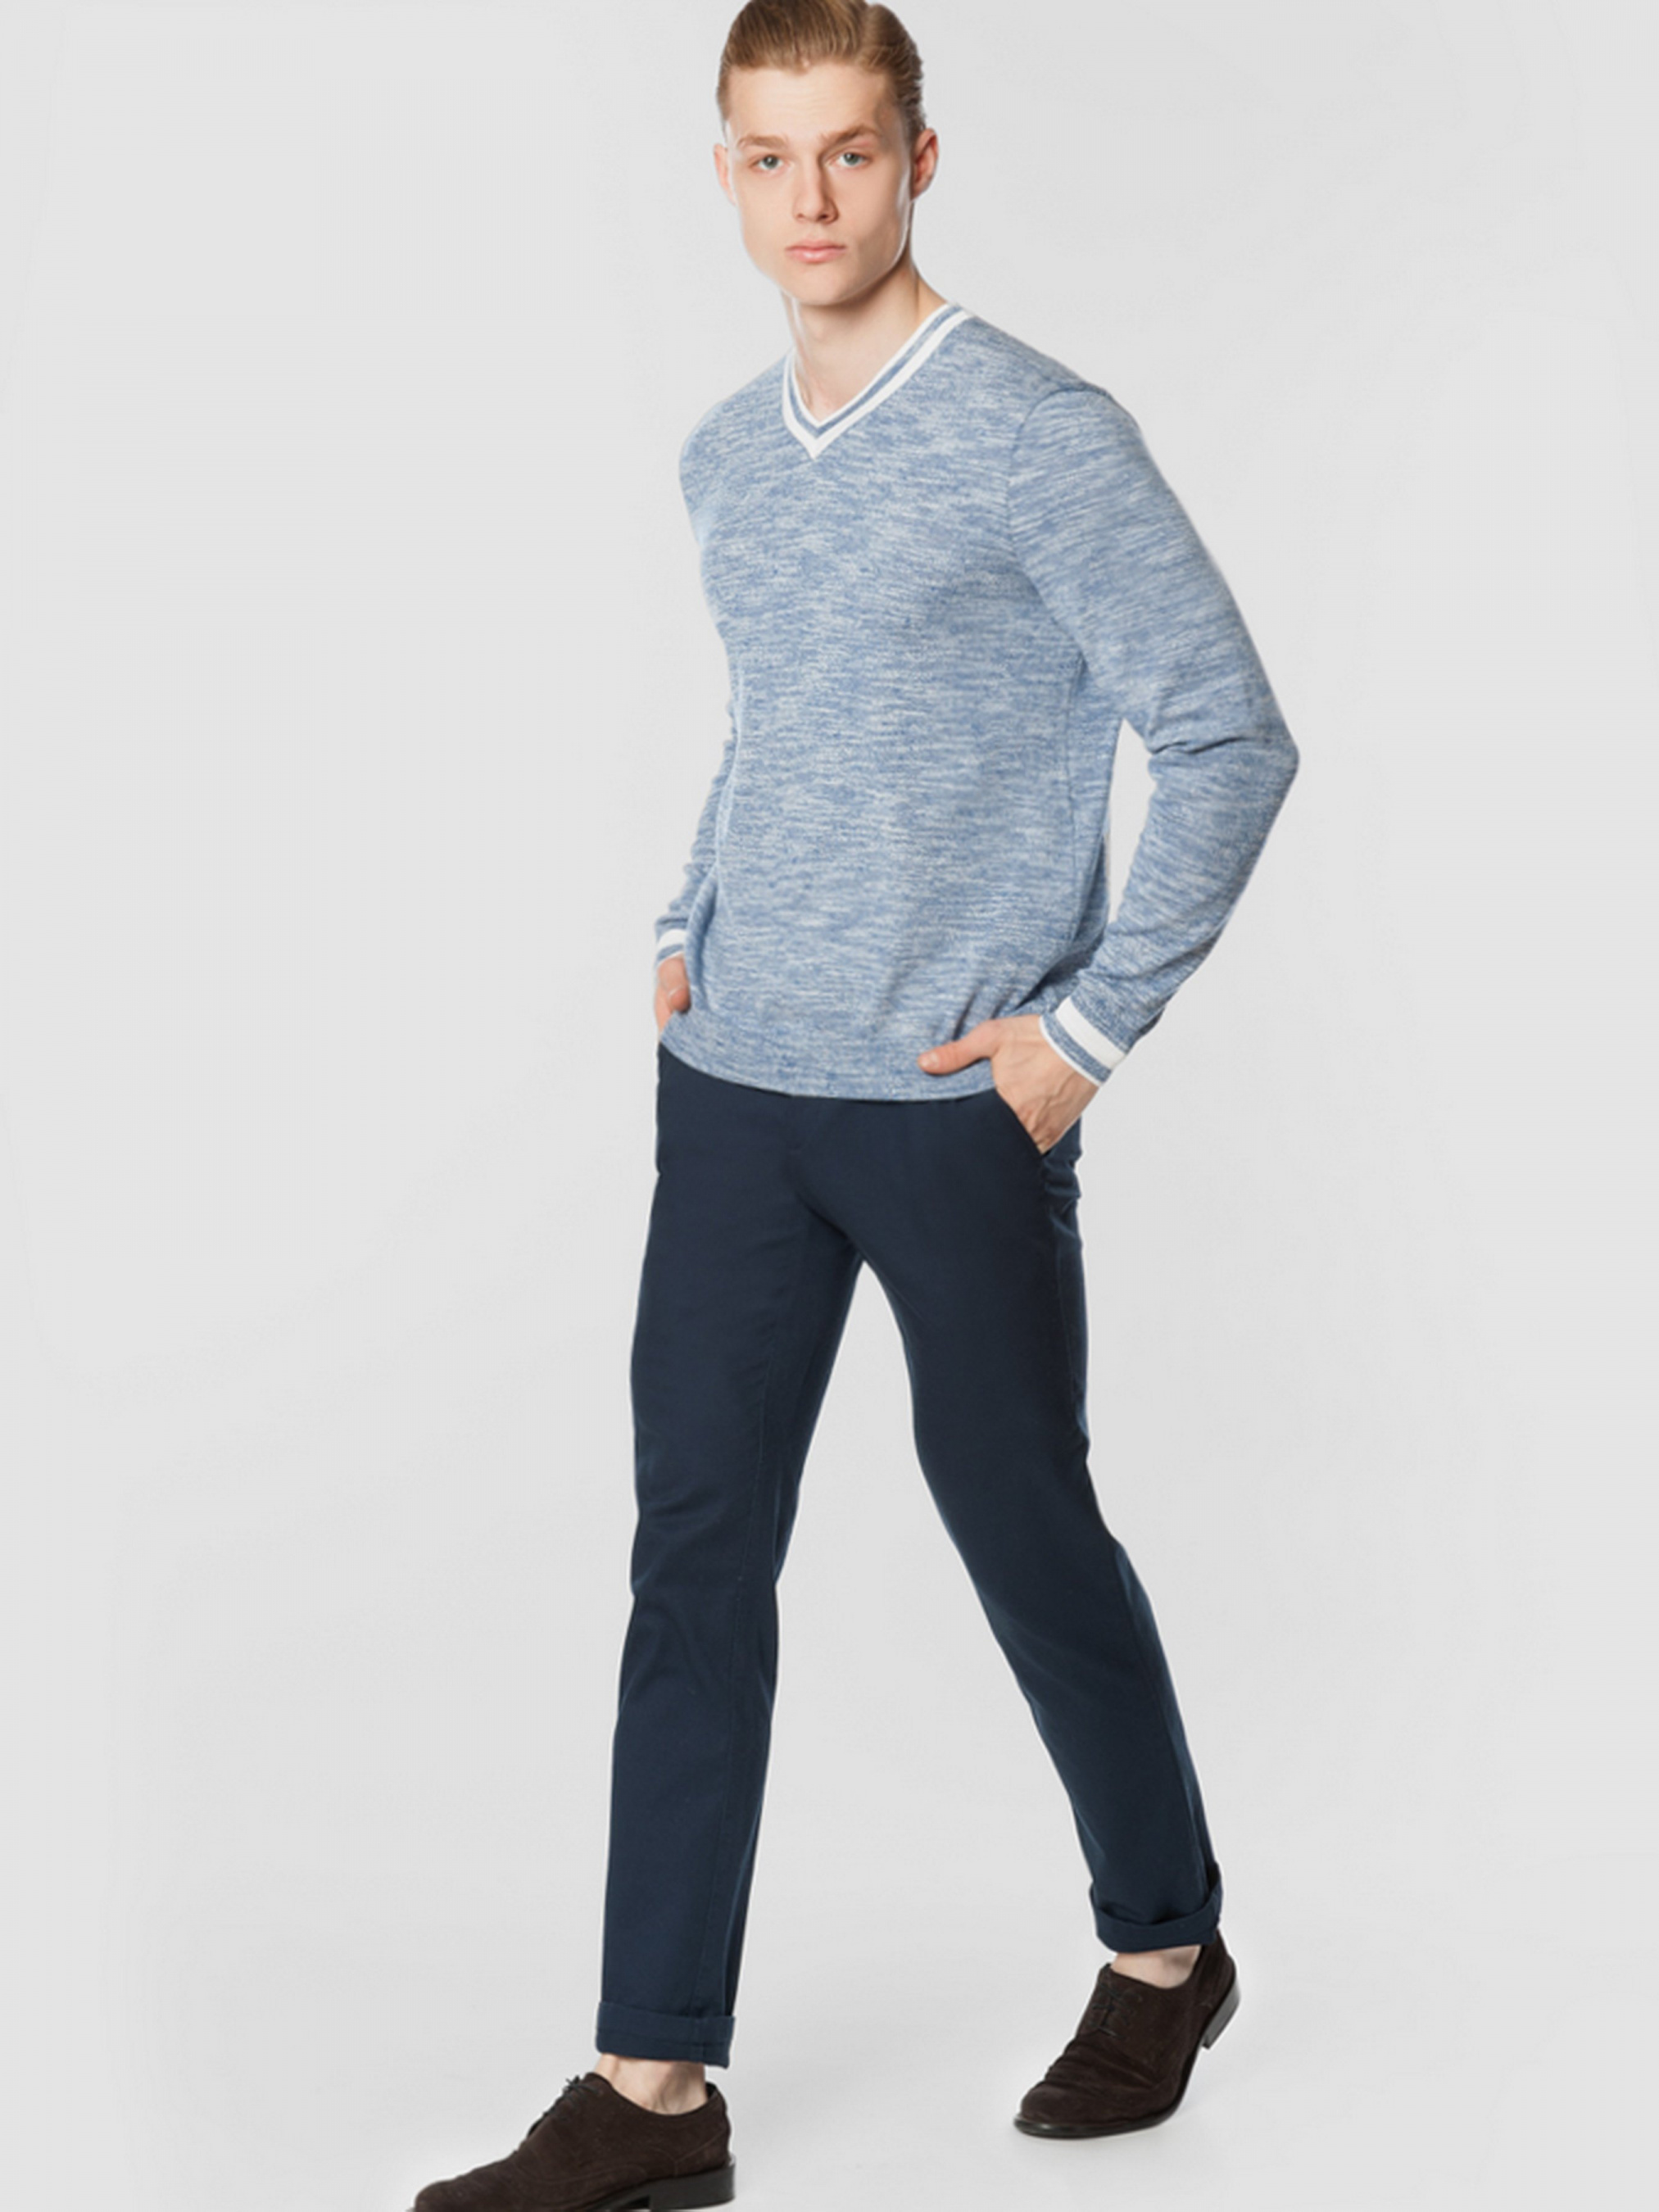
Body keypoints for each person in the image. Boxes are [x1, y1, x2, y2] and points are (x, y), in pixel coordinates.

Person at [410, 3, 1297, 2206]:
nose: (809, 197)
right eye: (768, 155)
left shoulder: (1035, 434)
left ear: (918, 160)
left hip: (945, 1096)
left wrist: (1083, 1035)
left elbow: (1226, 732)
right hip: (733, 1087)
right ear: (722, 172)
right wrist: (689, 911)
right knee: (694, 1556)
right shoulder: (728, 451)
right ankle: (652, 2089)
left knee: (1018, 1520)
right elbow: (784, 714)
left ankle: (1166, 1942)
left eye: (848, 152)